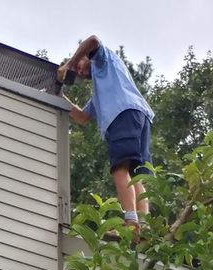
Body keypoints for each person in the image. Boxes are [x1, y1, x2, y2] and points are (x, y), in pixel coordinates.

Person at [57, 36, 154, 235]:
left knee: (120, 168)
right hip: (139, 116)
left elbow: (92, 40)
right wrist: (58, 96)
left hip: (124, 114)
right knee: (136, 175)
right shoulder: (102, 90)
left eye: (81, 67)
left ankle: (131, 223)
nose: (81, 72)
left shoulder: (102, 60)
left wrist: (70, 63)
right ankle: (144, 227)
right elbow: (83, 117)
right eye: (80, 74)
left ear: (87, 57)